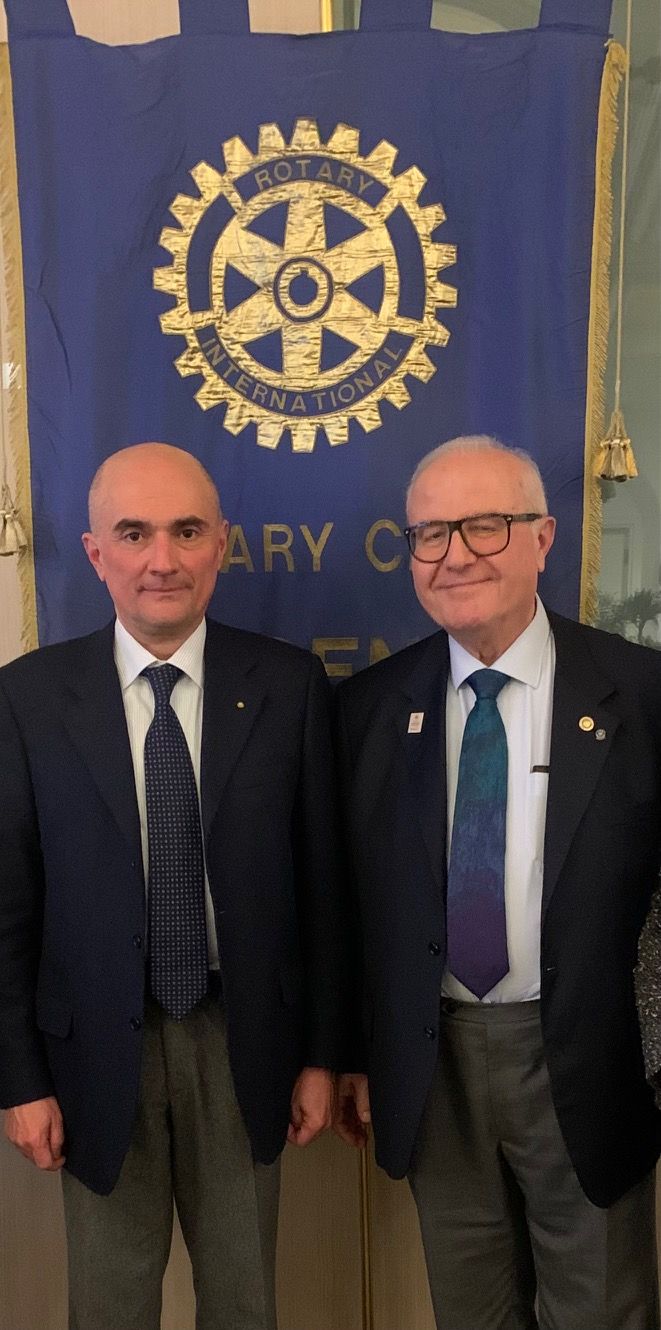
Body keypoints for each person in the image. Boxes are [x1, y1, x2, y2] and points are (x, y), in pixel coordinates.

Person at [0, 442, 347, 1330]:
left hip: (244, 1041)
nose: (163, 559)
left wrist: (322, 1054)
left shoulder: (289, 686)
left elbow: (322, 893)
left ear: (220, 545)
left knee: (244, 1302)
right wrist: (18, 1081)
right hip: (88, 1054)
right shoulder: (26, 698)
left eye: (187, 531)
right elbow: (8, 908)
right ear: (95, 553)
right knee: (109, 1307)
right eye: (134, 533)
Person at [334, 435, 661, 1330]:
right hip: (432, 1061)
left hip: (590, 1056)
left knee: (599, 1308)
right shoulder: (368, 710)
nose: (455, 555)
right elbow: (348, 906)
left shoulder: (640, 693)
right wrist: (356, 1050)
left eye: (485, 525)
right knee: (469, 1310)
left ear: (543, 538)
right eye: (430, 534)